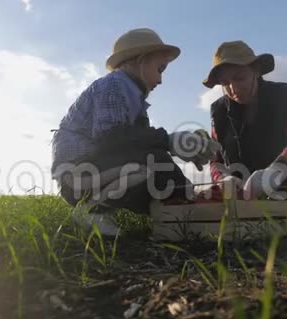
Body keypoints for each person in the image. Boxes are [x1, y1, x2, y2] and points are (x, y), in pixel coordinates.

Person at [51, 28, 220, 235]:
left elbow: (140, 143)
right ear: (141, 61)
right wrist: (168, 141)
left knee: (159, 169)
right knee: (152, 163)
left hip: (95, 170)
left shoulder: (133, 98)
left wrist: (180, 180)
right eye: (160, 69)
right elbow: (111, 138)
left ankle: (178, 204)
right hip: (78, 174)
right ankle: (92, 209)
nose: (160, 80)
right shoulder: (115, 84)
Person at [204, 40, 287, 213]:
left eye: (239, 78)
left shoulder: (285, 95)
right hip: (248, 188)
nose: (233, 88)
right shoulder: (218, 111)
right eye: (225, 83)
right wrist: (222, 178)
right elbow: (216, 158)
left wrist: (275, 172)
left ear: (256, 71)